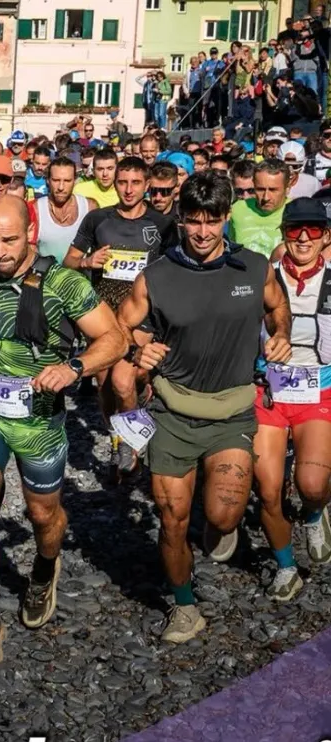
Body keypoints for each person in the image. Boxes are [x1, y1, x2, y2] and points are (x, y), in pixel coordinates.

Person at [0, 195, 127, 667]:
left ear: (30, 236)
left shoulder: (64, 283)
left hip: (40, 421)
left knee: (44, 517)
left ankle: (44, 570)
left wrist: (74, 367)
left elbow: (116, 338)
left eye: (9, 241)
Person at [118, 172, 292, 643]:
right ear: (181, 218)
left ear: (226, 218)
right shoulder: (157, 275)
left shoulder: (254, 267)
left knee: (223, 517)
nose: (201, 232)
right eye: (192, 221)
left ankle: (221, 524)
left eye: (211, 222)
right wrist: (138, 348)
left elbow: (278, 308)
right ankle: (185, 607)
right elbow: (121, 325)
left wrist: (281, 336)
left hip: (232, 412)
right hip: (173, 413)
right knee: (172, 519)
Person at [65, 157, 179, 475]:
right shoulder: (97, 219)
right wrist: (89, 263)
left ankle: (132, 442)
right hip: (103, 314)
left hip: (142, 313)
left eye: (135, 183)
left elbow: (178, 268)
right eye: (122, 182)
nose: (128, 190)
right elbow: (68, 261)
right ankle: (119, 436)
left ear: (146, 185)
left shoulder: (162, 224)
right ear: (114, 184)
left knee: (122, 380)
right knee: (104, 386)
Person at [251, 197, 331, 602]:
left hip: (320, 388)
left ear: (326, 236)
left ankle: (315, 513)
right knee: (268, 489)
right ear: (283, 233)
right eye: (294, 229)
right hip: (270, 390)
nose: (303, 238)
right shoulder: (263, 277)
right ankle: (285, 566)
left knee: (312, 484)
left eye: (313, 230)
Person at [36, 158, 95, 263]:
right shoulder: (36, 209)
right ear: (48, 180)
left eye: (67, 181)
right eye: (56, 180)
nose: (61, 187)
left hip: (80, 277)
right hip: (45, 276)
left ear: (75, 180)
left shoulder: (89, 207)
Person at [229, 159, 291, 258]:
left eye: (273, 190)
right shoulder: (237, 209)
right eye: (260, 189)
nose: (266, 197)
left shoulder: (295, 211)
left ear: (287, 188)